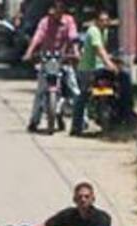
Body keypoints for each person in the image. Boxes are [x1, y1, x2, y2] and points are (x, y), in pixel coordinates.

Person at [23, 0, 79, 134]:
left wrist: (75, 52)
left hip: (63, 59)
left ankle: (81, 120)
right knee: (40, 91)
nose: (58, 12)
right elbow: (38, 37)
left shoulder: (69, 21)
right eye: (56, 8)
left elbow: (73, 37)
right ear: (51, 10)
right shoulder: (45, 22)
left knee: (75, 89)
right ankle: (34, 121)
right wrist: (29, 52)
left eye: (61, 8)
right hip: (47, 60)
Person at [72, 9, 122, 136]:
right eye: (102, 20)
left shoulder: (104, 31)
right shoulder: (93, 31)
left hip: (100, 68)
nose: (105, 23)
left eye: (107, 20)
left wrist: (112, 60)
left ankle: (120, 118)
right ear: (96, 21)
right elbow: (98, 49)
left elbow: (103, 51)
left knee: (119, 86)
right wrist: (109, 63)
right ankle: (76, 126)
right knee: (83, 96)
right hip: (87, 69)